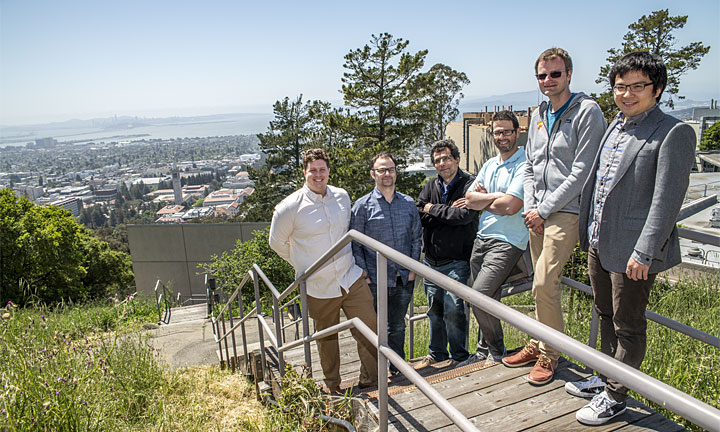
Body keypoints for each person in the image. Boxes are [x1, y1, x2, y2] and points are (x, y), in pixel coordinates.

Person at [568, 52, 696, 425]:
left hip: (634, 254)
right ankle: (608, 376)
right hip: (599, 243)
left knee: (629, 324)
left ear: (656, 89)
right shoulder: (615, 126)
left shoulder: (673, 132)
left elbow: (666, 200)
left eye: (637, 86)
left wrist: (645, 251)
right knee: (605, 314)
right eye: (620, 87)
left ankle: (617, 396)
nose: (627, 94)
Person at [502, 47, 606, 385]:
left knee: (546, 281)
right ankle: (540, 341)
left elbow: (582, 172)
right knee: (539, 285)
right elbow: (530, 165)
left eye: (555, 74)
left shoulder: (587, 112)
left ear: (569, 75)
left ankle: (550, 355)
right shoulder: (538, 114)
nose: (548, 80)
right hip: (538, 213)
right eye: (542, 75)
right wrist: (533, 208)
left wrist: (543, 209)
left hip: (567, 211)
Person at [269, 148, 378, 393]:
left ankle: (373, 380)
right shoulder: (289, 208)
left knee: (369, 326)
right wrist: (303, 266)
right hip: (318, 285)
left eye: (322, 169)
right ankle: (333, 387)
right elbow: (276, 243)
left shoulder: (342, 196)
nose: (318, 175)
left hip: (350, 277)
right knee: (326, 338)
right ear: (304, 173)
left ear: (328, 171)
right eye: (312, 170)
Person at [455, 111, 529, 368]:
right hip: (482, 239)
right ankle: (483, 349)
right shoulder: (489, 164)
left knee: (479, 295)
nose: (502, 137)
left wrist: (484, 200)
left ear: (517, 133)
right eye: (497, 132)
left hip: (508, 241)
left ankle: (497, 352)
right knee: (488, 297)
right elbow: (469, 198)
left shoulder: (524, 164)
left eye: (507, 131)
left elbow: (511, 206)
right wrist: (495, 198)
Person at [351, 152, 422, 375]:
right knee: (375, 328)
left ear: (395, 172)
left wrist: (412, 269)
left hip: (403, 278)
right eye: (381, 170)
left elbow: (416, 238)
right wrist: (366, 274)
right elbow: (355, 244)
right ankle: (376, 371)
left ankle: (398, 368)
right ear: (373, 174)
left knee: (398, 325)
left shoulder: (408, 203)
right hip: (374, 279)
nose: (387, 174)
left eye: (390, 169)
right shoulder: (362, 206)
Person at [415, 139, 477, 368]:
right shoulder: (431, 185)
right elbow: (420, 212)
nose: (442, 163)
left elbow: (465, 217)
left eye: (446, 158)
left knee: (454, 310)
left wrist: (434, 209)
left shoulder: (469, 184)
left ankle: (459, 356)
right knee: (434, 311)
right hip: (431, 262)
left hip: (457, 262)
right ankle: (437, 354)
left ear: (457, 159)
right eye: (438, 160)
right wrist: (445, 211)